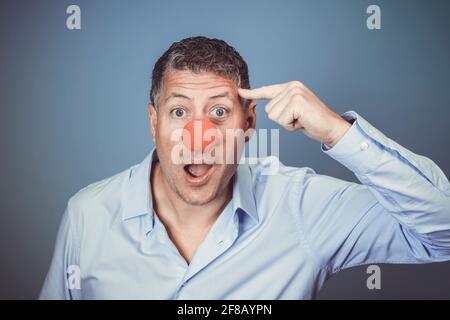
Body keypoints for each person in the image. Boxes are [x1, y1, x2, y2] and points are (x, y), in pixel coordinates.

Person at [40, 36, 450, 299]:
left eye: (219, 111)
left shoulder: (302, 209)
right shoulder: (88, 214)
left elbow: (442, 234)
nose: (198, 135)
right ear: (154, 123)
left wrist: (337, 132)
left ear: (249, 122)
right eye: (179, 111)